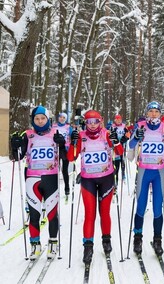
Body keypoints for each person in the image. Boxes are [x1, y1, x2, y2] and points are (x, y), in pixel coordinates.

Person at [67, 110, 124, 263]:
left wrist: (116, 141)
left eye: (95, 122)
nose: (92, 125)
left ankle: (106, 240)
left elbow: (120, 152)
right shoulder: (81, 136)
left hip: (106, 179)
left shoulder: (106, 134)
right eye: (89, 122)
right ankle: (88, 246)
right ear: (85, 123)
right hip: (88, 181)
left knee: (104, 213)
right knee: (90, 214)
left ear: (101, 121)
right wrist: (72, 143)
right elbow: (71, 158)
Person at [10, 106, 63, 260]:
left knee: (52, 213)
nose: (40, 121)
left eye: (42, 118)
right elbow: (18, 157)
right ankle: (35, 245)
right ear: (33, 120)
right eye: (37, 119)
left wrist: (62, 145)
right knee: (34, 214)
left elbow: (66, 155)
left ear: (48, 119)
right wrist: (15, 146)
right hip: (32, 179)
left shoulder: (55, 133)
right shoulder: (27, 135)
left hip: (51, 178)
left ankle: (53, 242)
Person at [128, 101, 164, 255]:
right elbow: (132, 144)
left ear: (160, 114)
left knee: (157, 208)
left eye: (156, 111)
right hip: (143, 171)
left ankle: (157, 240)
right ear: (146, 113)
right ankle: (138, 238)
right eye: (151, 111)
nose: (154, 114)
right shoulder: (140, 126)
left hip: (159, 173)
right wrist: (135, 136)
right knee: (140, 207)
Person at [52, 112, 72, 196]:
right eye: (61, 117)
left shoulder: (68, 127)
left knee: (64, 170)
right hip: (56, 149)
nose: (62, 119)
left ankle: (67, 188)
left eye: (64, 117)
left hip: (65, 149)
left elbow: (72, 137)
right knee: (55, 169)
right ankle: (53, 188)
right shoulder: (54, 126)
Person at [111, 114, 130, 187]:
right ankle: (115, 180)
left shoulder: (124, 126)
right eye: (117, 119)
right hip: (114, 147)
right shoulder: (112, 127)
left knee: (122, 161)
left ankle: (123, 173)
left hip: (122, 145)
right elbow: (109, 136)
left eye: (120, 119)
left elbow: (128, 134)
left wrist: (126, 137)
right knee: (116, 163)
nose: (118, 121)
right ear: (115, 120)